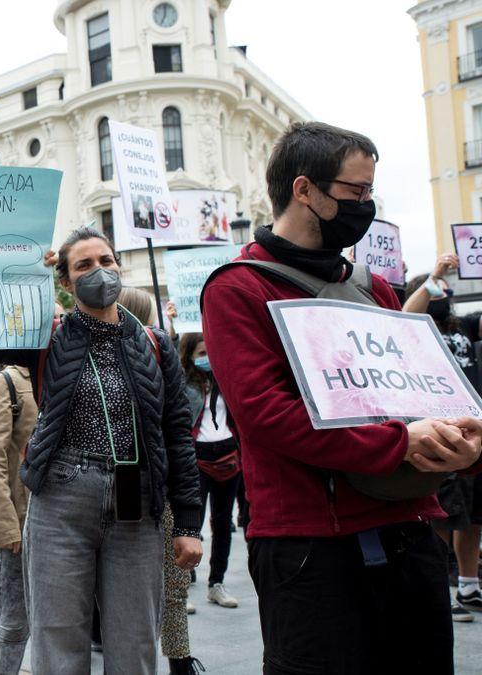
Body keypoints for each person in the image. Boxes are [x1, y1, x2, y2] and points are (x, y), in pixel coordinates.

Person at [201, 121, 482, 673]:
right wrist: (398, 445)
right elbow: (266, 416)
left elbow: (423, 394)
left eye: (371, 192)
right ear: (304, 189)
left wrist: (465, 439)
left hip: (411, 533)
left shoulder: (375, 288)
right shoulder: (237, 288)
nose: (366, 205)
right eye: (356, 193)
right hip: (310, 549)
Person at [0, 227, 203, 673]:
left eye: (106, 260)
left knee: (135, 643)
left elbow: (177, 431)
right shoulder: (48, 337)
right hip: (61, 500)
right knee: (57, 642)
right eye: (84, 265)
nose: (100, 271)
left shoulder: (154, 343)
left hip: (136, 505)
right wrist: (25, 282)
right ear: (65, 280)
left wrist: (188, 522)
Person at [116, 287, 204, 675]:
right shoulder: (155, 356)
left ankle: (169, 659)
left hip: (132, 480)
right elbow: (179, 425)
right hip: (154, 483)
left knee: (145, 585)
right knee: (170, 587)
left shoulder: (148, 353)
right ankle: (179, 661)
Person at [404, 263, 482, 622]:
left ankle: (468, 584)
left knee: (473, 516)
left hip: (472, 430)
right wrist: (434, 276)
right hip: (438, 427)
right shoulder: (415, 331)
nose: (444, 295)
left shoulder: (461, 326)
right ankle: (439, 588)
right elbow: (406, 315)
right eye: (437, 290)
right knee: (440, 514)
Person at [0, 362, 36, 674]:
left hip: (60, 523)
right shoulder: (9, 381)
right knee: (15, 624)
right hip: (18, 524)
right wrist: (5, 523)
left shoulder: (62, 373)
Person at [178, 333, 240, 610]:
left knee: (223, 523)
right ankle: (181, 585)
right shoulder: (183, 384)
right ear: (189, 356)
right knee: (192, 523)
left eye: (209, 352)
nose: (206, 358)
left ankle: (216, 583)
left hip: (228, 457)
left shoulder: (226, 378)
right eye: (200, 354)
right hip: (197, 458)